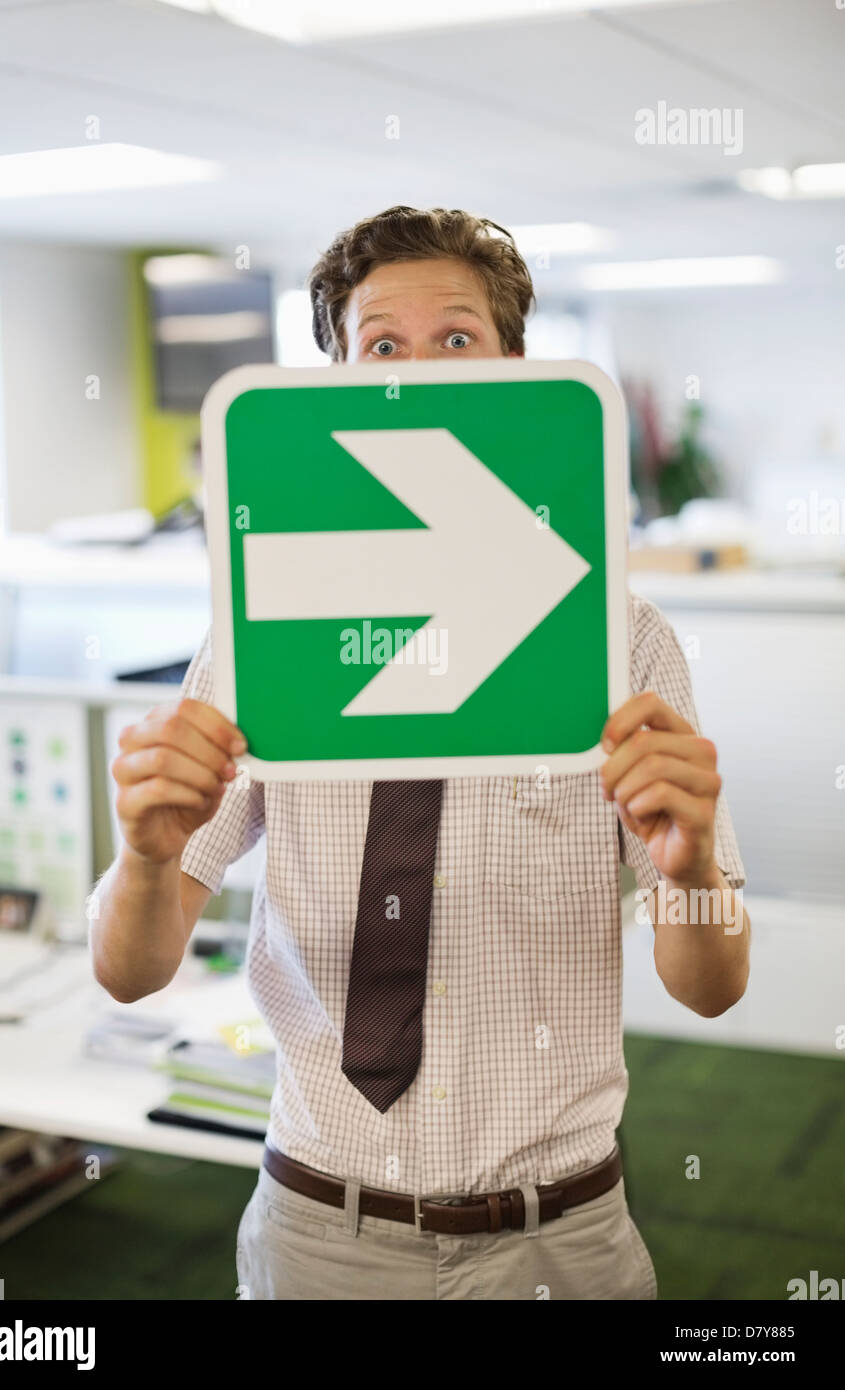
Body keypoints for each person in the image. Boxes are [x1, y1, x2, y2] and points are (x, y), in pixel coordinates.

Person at [92, 206, 749, 1301]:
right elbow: (130, 969)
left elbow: (711, 989)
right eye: (380, 346)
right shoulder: (260, 632)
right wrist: (151, 861)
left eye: (456, 338)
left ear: (515, 369)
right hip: (320, 1226)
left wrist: (687, 876)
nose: (423, 372)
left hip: (559, 1236)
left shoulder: (619, 640)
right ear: (339, 380)